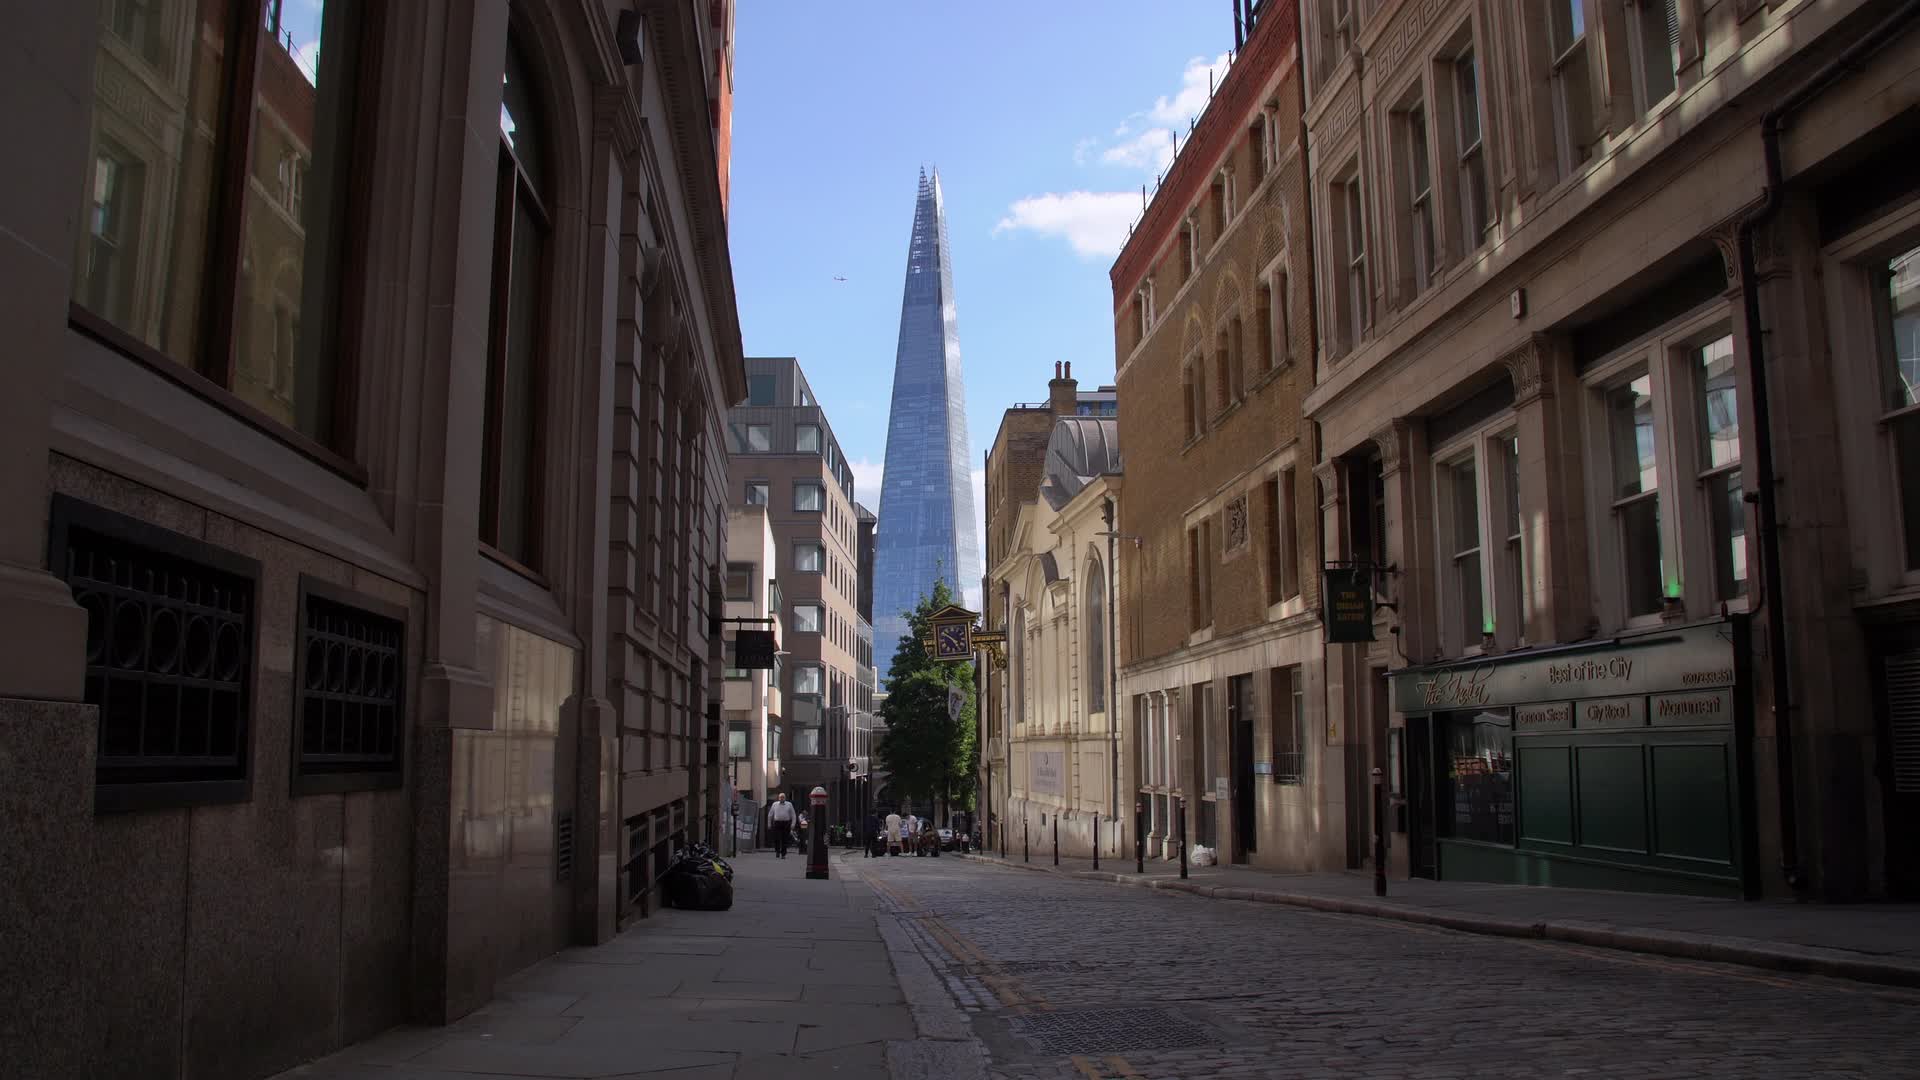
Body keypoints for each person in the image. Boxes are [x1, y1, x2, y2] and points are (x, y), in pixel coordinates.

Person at [768, 793, 796, 859]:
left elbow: (793, 815)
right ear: (778, 798)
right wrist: (769, 824)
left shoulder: (789, 804)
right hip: (777, 823)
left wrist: (793, 824)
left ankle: (783, 854)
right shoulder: (774, 804)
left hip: (786, 823)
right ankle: (777, 851)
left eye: (783, 797)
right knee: (777, 838)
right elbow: (770, 815)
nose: (781, 798)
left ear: (785, 798)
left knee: (785, 839)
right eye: (780, 797)